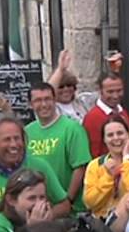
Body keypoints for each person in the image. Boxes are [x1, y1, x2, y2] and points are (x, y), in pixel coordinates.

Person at [0, 115, 70, 216]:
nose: (14, 144)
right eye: (7, 139)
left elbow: (64, 205)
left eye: (17, 138)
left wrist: (45, 216)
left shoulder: (40, 166)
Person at [26, 82, 92, 211]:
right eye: (38, 100)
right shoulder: (26, 132)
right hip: (35, 209)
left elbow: (80, 167)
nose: (44, 104)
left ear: (55, 100)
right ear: (30, 104)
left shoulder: (73, 129)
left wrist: (67, 201)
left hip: (69, 211)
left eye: (47, 99)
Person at [83, 115, 129, 219]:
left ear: (128, 135)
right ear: (104, 139)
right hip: (102, 225)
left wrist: (126, 158)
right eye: (110, 135)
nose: (116, 138)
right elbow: (89, 203)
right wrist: (108, 177)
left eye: (120, 133)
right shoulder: (95, 165)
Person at [82, 72, 129, 158]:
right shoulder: (92, 118)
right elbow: (93, 153)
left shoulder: (123, 112)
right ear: (100, 91)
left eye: (119, 90)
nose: (115, 96)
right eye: (110, 92)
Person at [46, 50, 95, 122]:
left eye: (69, 85)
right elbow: (47, 92)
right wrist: (60, 70)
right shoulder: (52, 108)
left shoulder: (82, 101)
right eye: (61, 87)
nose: (66, 89)